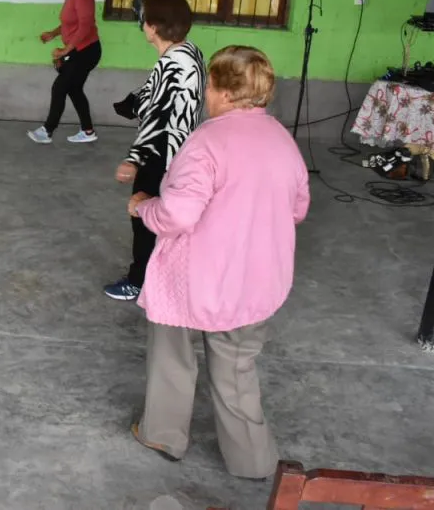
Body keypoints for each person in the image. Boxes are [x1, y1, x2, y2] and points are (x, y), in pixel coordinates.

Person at [128, 46, 309, 479]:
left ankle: (163, 434)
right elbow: (298, 208)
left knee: (172, 355)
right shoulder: (283, 141)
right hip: (258, 281)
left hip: (196, 280)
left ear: (225, 91)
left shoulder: (206, 141)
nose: (206, 91)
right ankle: (253, 461)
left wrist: (143, 206)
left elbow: (178, 216)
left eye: (209, 83)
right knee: (237, 370)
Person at [104, 0, 205, 302]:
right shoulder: (187, 51)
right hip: (179, 151)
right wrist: (135, 103)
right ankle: (162, 275)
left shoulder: (174, 62)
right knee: (162, 214)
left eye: (144, 18)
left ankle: (140, 280)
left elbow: (159, 119)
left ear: (153, 26)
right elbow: (157, 96)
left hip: (162, 154)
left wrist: (134, 159)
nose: (141, 23)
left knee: (145, 213)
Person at [27, 0, 102, 145]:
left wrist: (65, 50)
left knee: (60, 87)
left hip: (86, 51)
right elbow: (70, 23)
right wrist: (53, 34)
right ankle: (88, 130)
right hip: (80, 50)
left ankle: (47, 131)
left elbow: (85, 26)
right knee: (74, 89)